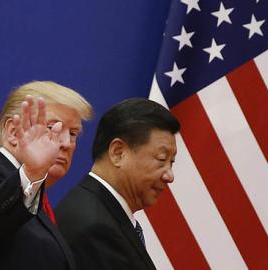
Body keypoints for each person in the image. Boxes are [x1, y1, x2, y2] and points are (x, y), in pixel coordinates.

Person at [0, 81, 93, 270]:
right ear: (12, 131)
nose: (67, 143)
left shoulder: (38, 196)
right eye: (53, 127)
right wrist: (32, 172)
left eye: (73, 133)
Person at [55, 98, 180, 270]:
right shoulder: (94, 227)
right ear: (118, 152)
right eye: (161, 159)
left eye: (171, 162)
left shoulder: (98, 210)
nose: (169, 176)